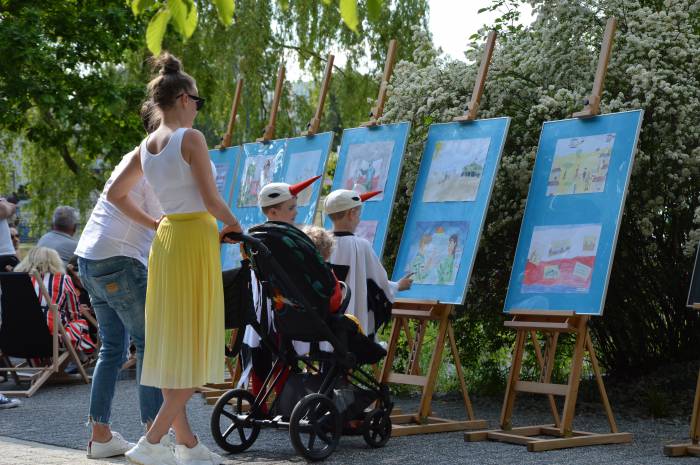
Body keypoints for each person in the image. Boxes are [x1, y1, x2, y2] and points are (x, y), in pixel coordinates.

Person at [107, 52, 241, 465]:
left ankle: (187, 445)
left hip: (167, 240)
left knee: (172, 343)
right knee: (196, 341)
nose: (198, 108)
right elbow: (212, 200)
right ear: (184, 98)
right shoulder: (191, 139)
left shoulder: (145, 148)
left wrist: (154, 223)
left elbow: (114, 195)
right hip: (194, 237)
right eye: (198, 101)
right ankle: (153, 439)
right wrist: (239, 228)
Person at [74, 101, 164, 459]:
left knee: (111, 348)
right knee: (150, 343)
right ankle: (155, 436)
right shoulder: (155, 158)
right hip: (119, 257)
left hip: (89, 256)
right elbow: (164, 221)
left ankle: (100, 436)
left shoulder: (134, 155)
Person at [239, 177, 322, 398]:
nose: (296, 211)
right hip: (287, 304)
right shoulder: (286, 238)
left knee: (266, 348)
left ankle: (261, 400)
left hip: (263, 305)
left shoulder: (256, 236)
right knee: (284, 349)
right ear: (273, 212)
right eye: (291, 207)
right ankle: (285, 399)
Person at [324, 189, 413, 339]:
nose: (359, 219)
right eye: (358, 214)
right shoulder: (360, 245)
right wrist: (398, 285)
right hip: (350, 318)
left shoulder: (322, 243)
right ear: (352, 214)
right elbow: (379, 281)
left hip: (326, 316)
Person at [14, 247, 97, 356]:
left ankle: (42, 364)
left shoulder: (15, 281)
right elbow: (74, 314)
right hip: (52, 340)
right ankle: (84, 357)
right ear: (55, 262)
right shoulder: (62, 279)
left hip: (16, 337)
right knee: (80, 323)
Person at [0, 197, 18, 271]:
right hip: (3, 255)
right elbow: (3, 210)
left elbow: (13, 207)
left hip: (5, 255)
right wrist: (4, 202)